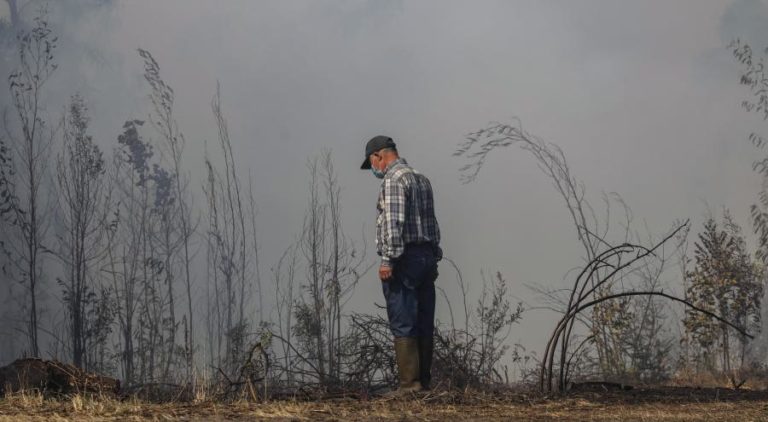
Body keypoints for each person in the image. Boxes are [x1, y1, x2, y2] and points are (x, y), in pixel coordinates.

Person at [360, 135, 442, 395]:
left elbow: (394, 223)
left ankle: (409, 385)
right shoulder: (421, 179)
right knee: (423, 320)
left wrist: (388, 260)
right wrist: (434, 255)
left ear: (378, 157)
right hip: (426, 256)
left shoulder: (394, 180)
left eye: (372, 163)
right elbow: (432, 224)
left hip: (404, 258)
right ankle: (423, 383)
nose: (374, 168)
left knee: (403, 318)